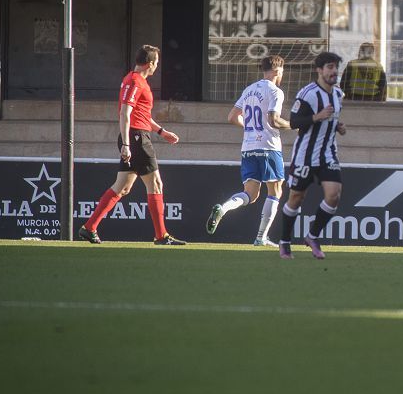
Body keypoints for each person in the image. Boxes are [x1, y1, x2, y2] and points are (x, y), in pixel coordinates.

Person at [78, 45, 185, 246]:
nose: (156, 67)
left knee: (123, 187)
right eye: (156, 63)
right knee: (156, 184)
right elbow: (125, 113)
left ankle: (89, 227)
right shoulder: (135, 81)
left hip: (135, 136)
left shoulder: (134, 80)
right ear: (151, 63)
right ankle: (161, 236)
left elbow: (141, 115)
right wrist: (127, 144)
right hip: (136, 138)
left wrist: (162, 132)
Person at [206, 55, 291, 246]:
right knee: (275, 191)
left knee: (250, 195)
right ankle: (261, 237)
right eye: (283, 72)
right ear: (278, 71)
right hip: (268, 147)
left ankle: (224, 208)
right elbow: (273, 120)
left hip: (248, 147)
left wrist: (251, 128)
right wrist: (293, 125)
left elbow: (232, 117)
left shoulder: (249, 90)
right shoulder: (276, 91)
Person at [276, 51, 347, 260]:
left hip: (328, 154)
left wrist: (337, 126)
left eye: (336, 67)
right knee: (296, 198)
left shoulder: (338, 95)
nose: (334, 72)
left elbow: (329, 120)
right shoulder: (307, 94)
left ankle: (313, 236)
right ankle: (284, 241)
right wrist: (317, 116)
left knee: (334, 194)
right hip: (305, 155)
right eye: (330, 67)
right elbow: (295, 122)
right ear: (319, 70)